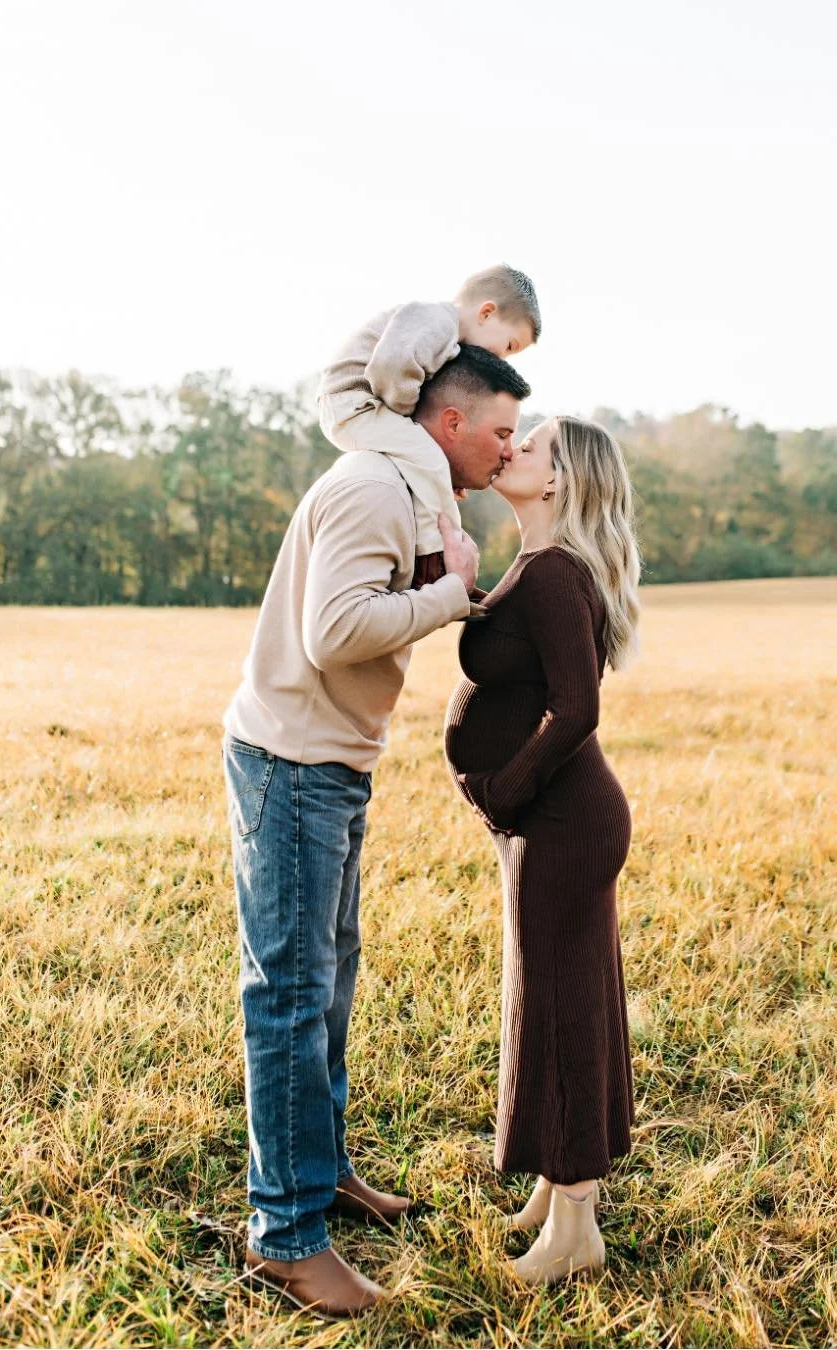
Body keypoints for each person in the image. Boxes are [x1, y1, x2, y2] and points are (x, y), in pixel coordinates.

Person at [222, 345, 530, 1317]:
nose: (507, 449)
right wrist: (448, 597)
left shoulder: (413, 489)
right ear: (449, 424)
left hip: (333, 763)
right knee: (292, 993)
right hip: (295, 763)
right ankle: (286, 1235)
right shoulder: (371, 490)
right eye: (501, 431)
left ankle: (322, 1171)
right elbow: (333, 630)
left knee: (331, 982)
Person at [444, 415, 642, 1286]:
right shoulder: (538, 565)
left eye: (531, 445)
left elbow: (578, 709)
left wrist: (505, 788)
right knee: (556, 995)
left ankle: (576, 1234)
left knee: (563, 1010)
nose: (511, 446)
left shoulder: (557, 573)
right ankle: (559, 1192)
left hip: (562, 819)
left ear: (559, 481)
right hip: (553, 819)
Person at [317, 264, 540, 589]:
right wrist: (413, 426)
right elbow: (390, 368)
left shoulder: (444, 334)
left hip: (360, 405)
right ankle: (438, 558)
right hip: (351, 402)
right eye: (508, 346)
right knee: (429, 458)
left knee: (426, 462)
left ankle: (429, 559)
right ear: (487, 313)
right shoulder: (434, 321)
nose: (503, 360)